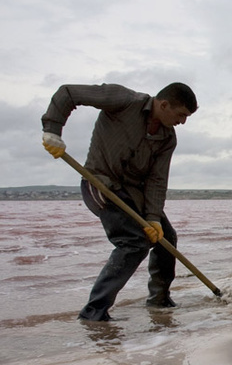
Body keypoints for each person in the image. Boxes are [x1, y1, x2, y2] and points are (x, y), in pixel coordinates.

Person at [41, 83, 198, 321]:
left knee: (167, 238)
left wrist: (153, 218)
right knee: (134, 242)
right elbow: (69, 93)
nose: (183, 122)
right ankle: (94, 312)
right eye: (181, 115)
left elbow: (157, 179)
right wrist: (53, 130)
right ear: (164, 104)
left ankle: (159, 300)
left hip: (135, 193)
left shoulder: (168, 138)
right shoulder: (124, 100)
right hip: (101, 185)